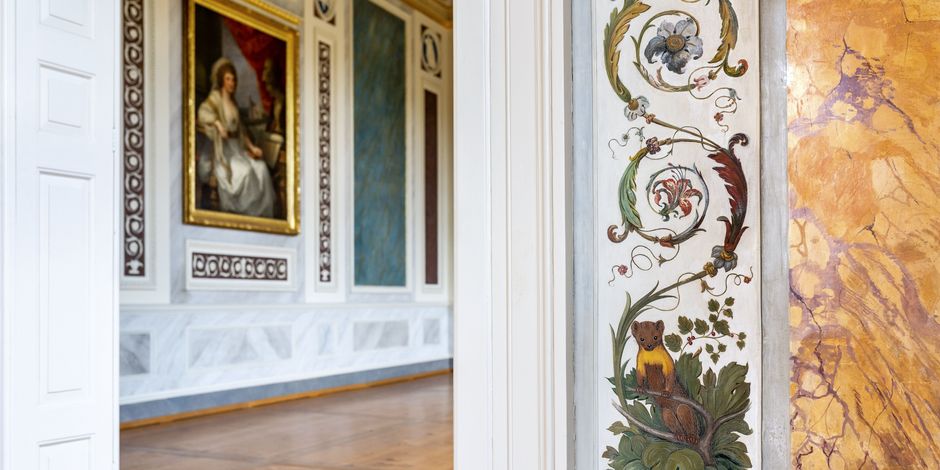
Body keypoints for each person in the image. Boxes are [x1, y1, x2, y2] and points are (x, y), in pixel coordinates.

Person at [196, 57, 275, 217]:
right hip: (222, 152)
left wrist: (252, 147)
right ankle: (245, 213)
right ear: (221, 80)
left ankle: (261, 216)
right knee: (245, 172)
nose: (231, 83)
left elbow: (241, 131)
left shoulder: (233, 103)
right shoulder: (215, 99)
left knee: (261, 169)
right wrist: (218, 123)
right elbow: (202, 113)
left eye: (233, 79)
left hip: (237, 148)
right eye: (228, 79)